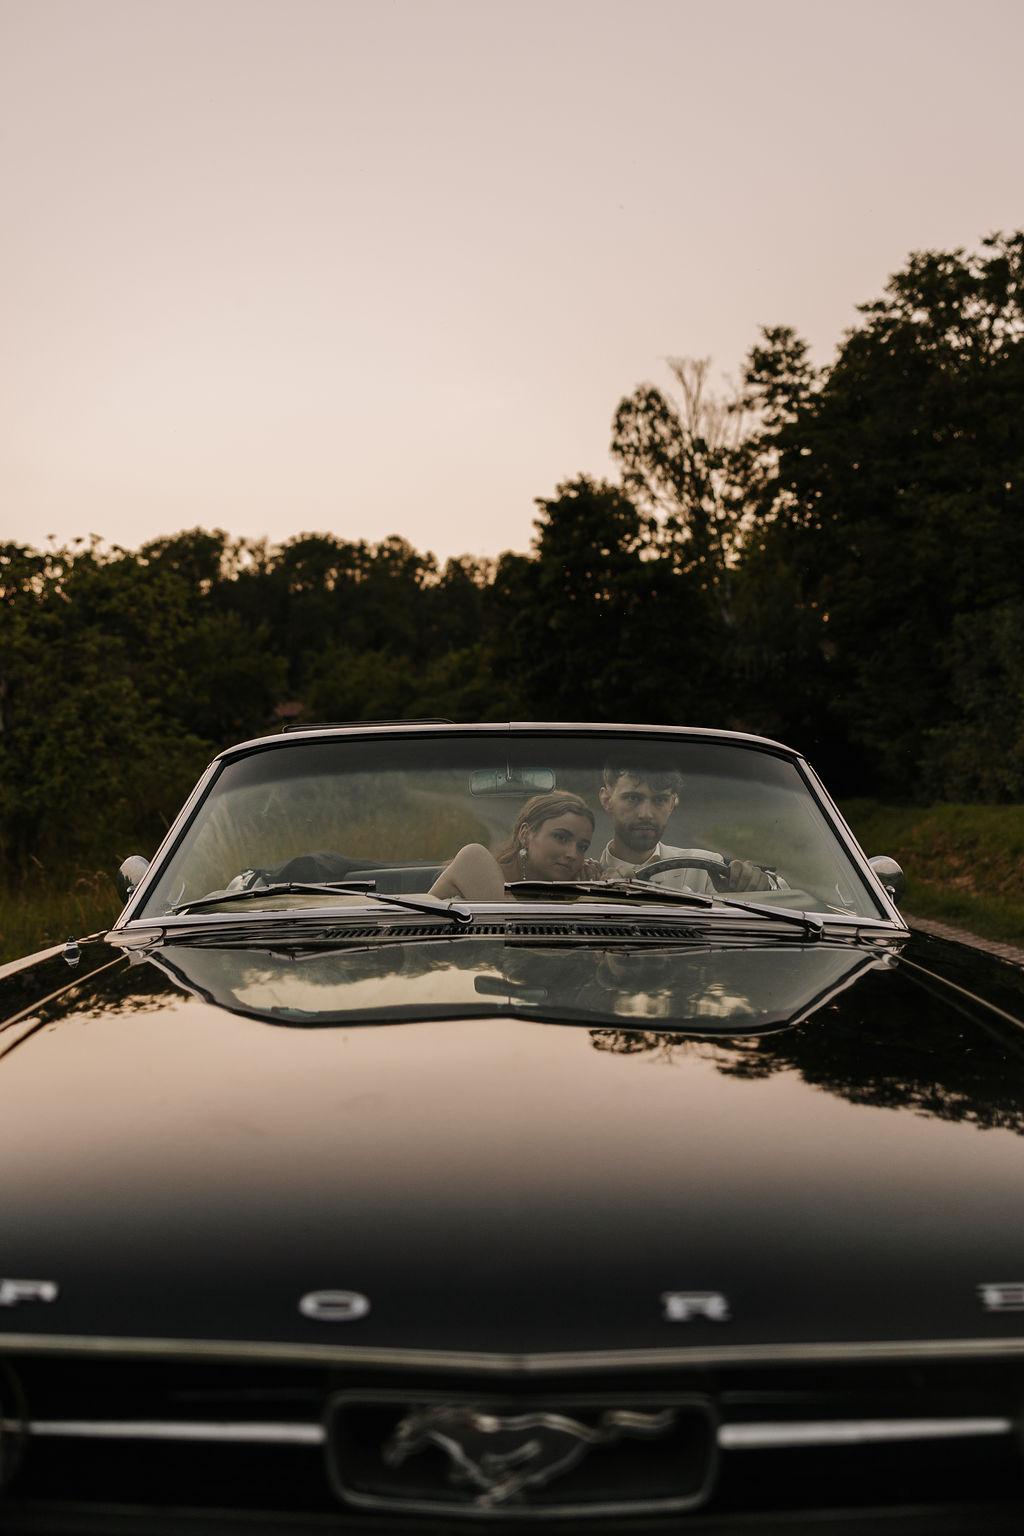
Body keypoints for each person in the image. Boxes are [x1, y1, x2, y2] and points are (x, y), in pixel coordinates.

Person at [598, 762, 773, 893]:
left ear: (672, 803)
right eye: (632, 798)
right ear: (606, 800)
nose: (646, 814)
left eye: (660, 800)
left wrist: (753, 886)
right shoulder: (588, 878)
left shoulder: (707, 870)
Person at [429, 792, 599, 901]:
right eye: (561, 837)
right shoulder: (474, 859)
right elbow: (513, 934)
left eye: (582, 847)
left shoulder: (559, 893)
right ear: (525, 834)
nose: (573, 854)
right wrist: (580, 901)